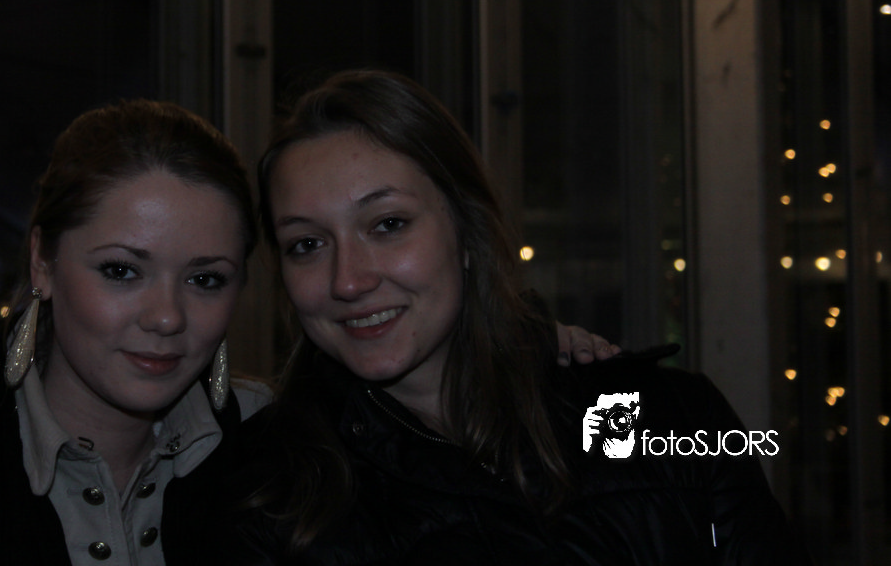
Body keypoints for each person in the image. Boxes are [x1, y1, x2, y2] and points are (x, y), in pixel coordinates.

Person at [0, 98, 613, 566]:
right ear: (42, 262)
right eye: (122, 270)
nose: (167, 317)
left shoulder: (287, 442)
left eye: (205, 279)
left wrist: (538, 351)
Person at [162, 70, 806, 566]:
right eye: (307, 243)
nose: (348, 280)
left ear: (466, 232)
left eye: (388, 224)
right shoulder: (251, 497)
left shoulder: (674, 418)